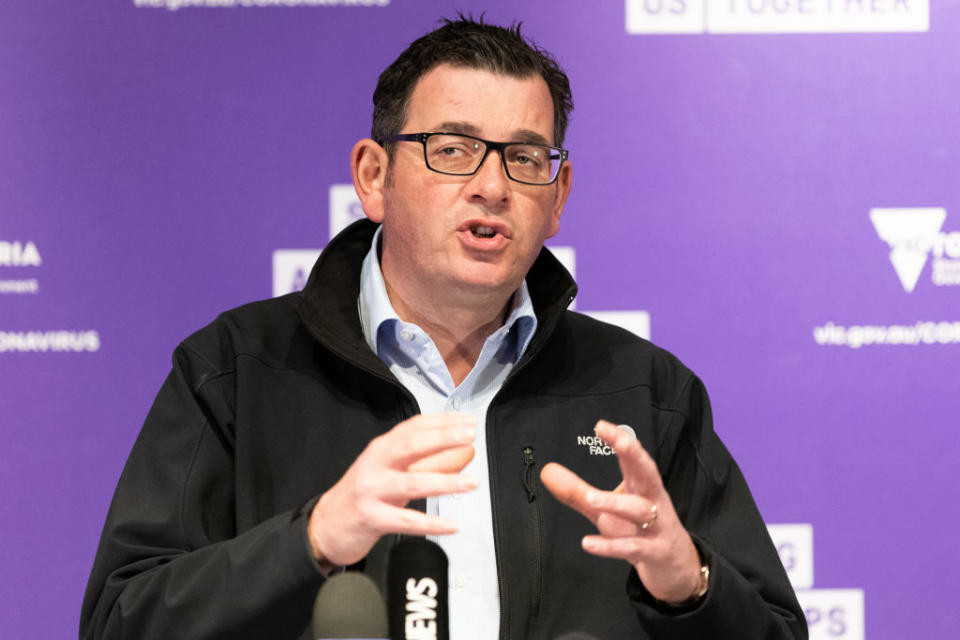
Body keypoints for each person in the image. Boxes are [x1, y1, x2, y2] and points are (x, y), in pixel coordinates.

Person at [81, 17, 807, 640]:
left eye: (525, 158)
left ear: (557, 199)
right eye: (453, 149)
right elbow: (120, 620)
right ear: (373, 177)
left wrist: (690, 587)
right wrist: (310, 542)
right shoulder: (237, 370)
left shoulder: (645, 392)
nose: (493, 186)